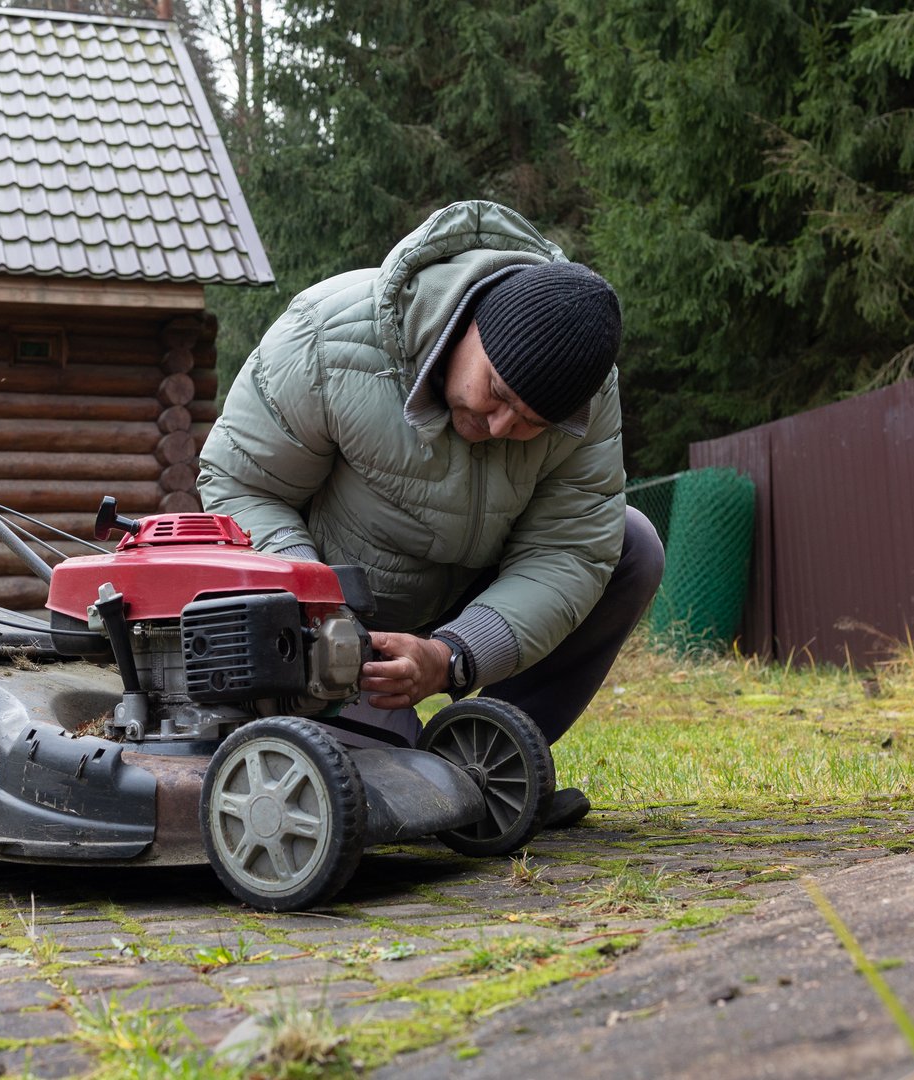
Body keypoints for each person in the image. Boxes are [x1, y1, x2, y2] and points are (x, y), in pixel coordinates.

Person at [197, 201, 664, 828]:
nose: (500, 426)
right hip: (328, 614)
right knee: (382, 793)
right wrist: (320, 612)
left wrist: (452, 655)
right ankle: (439, 775)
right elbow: (239, 482)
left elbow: (570, 550)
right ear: (470, 322)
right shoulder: (326, 336)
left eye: (532, 423)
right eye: (497, 393)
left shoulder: (587, 396)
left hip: (459, 610)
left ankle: (488, 759)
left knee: (632, 546)